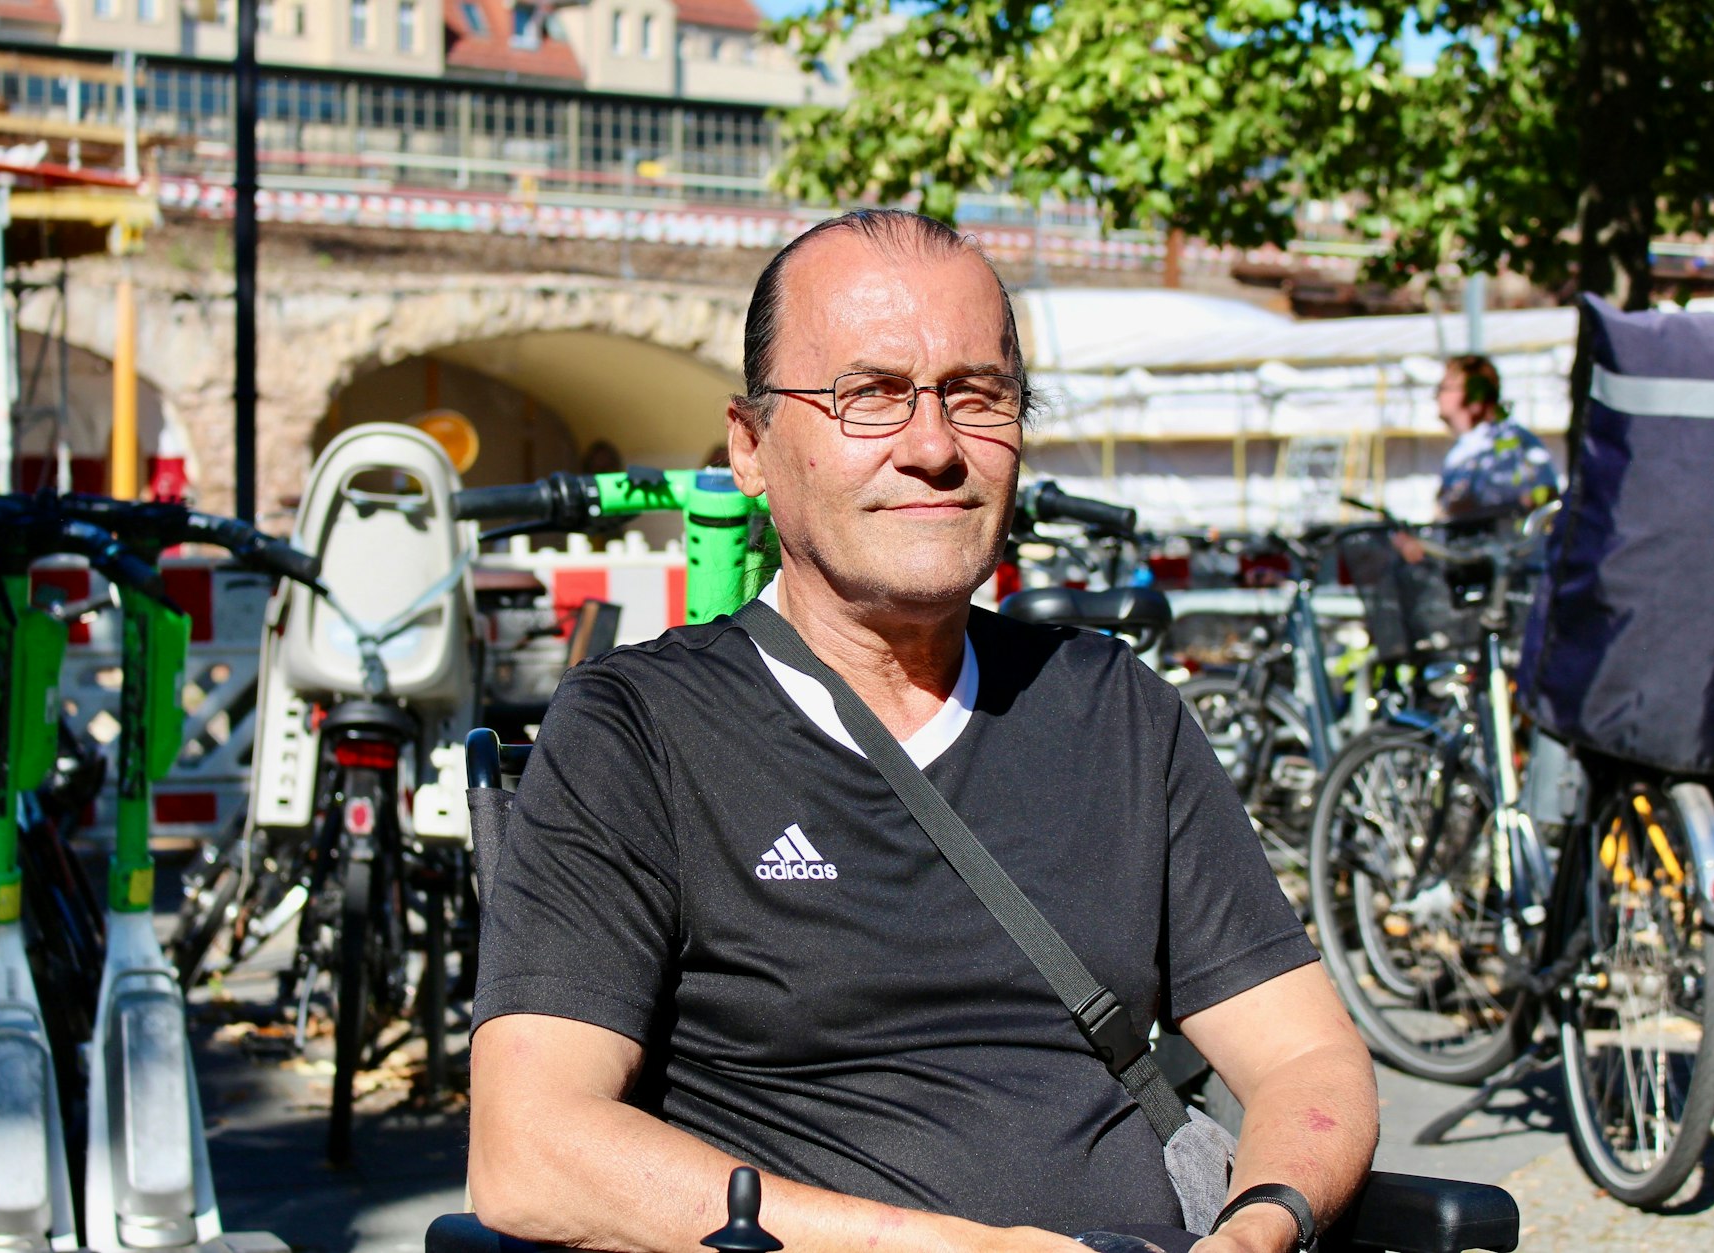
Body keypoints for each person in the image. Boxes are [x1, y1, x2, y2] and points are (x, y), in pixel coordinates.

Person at [468, 209, 1378, 1253]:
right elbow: (527, 1151)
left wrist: (1260, 1224)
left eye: (975, 395)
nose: (935, 447)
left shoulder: (1112, 708)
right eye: (870, 395)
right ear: (752, 448)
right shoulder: (641, 732)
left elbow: (1307, 1056)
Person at [1433, 355, 1560, 519]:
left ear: (1476, 396)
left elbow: (1546, 499)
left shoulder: (1514, 442)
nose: (1437, 395)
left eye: (1444, 388)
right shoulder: (1463, 450)